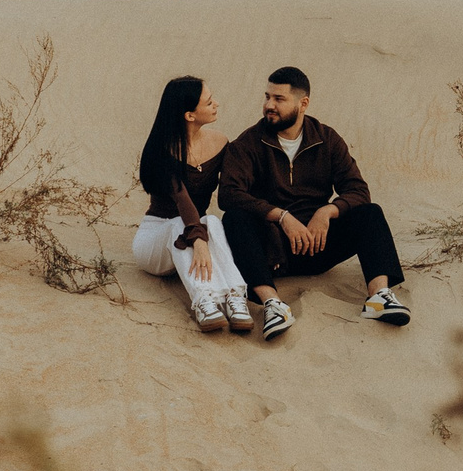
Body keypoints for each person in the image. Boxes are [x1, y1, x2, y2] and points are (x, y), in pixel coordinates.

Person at [217, 65, 410, 339]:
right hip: (272, 253)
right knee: (235, 218)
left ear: (303, 103)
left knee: (370, 212)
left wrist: (328, 210)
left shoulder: (326, 139)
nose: (269, 105)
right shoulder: (248, 144)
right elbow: (229, 194)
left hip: (318, 245)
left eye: (279, 99)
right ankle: (273, 304)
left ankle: (378, 296)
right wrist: (281, 216)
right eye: (267, 97)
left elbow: (357, 189)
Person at [131, 76, 254, 334]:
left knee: (212, 221)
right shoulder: (162, 150)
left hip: (191, 230)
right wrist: (198, 238)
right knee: (187, 222)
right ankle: (204, 300)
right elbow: (181, 200)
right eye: (209, 102)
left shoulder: (220, 142)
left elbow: (235, 188)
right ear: (189, 115)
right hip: (154, 240)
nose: (216, 104)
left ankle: (234, 295)